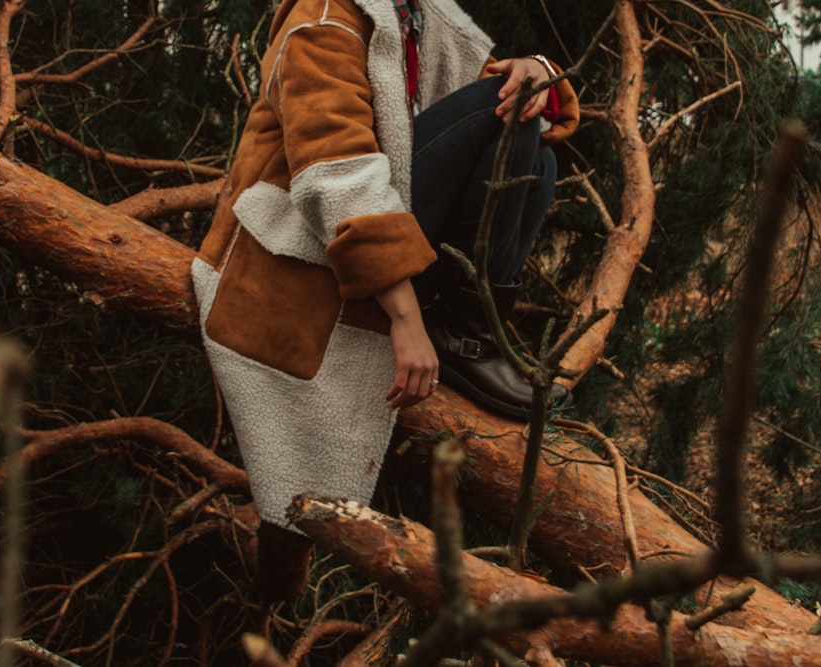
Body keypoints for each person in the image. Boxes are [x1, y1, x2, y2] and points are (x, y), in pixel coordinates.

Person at [191, 0, 579, 601]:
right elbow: (334, 174)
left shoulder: (422, 16)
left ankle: (477, 326)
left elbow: (515, 107)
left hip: (380, 234)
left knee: (536, 147)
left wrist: (535, 69)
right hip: (305, 246)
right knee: (497, 112)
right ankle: (463, 333)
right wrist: (404, 316)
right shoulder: (323, 18)